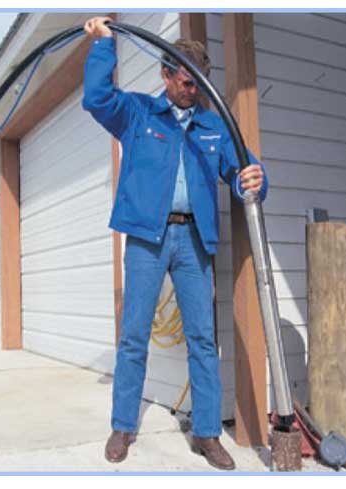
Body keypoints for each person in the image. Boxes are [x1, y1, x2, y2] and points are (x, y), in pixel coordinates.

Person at [81, 17, 268, 471]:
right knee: (134, 337)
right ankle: (123, 425)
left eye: (197, 83)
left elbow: (242, 173)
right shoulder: (138, 113)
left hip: (193, 241)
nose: (192, 91)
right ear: (166, 75)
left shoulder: (212, 125)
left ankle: (206, 434)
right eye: (185, 81)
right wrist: (104, 46)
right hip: (147, 238)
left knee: (203, 340)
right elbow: (96, 98)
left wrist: (256, 180)